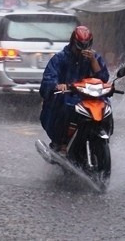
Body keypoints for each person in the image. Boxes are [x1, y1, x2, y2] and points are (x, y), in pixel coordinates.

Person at [39, 25, 109, 153]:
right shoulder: (60, 58)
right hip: (69, 97)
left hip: (90, 98)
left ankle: (101, 136)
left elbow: (103, 79)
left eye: (86, 46)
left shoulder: (95, 58)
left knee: (106, 106)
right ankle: (62, 142)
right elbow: (48, 80)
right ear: (73, 43)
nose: (82, 51)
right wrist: (58, 85)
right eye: (79, 47)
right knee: (65, 106)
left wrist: (93, 61)